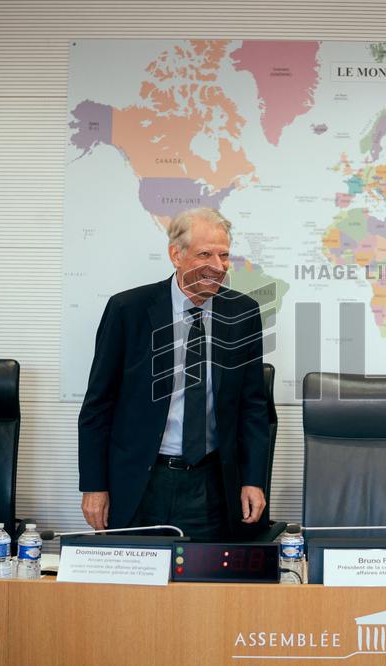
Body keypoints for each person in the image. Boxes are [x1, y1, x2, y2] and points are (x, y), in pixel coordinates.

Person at [77, 207, 268, 540]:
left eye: (224, 255)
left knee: (203, 590)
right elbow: (98, 405)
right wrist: (94, 485)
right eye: (204, 254)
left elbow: (253, 408)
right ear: (175, 255)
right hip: (141, 481)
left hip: (210, 486)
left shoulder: (243, 313)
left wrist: (253, 480)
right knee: (133, 587)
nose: (218, 266)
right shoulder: (128, 311)